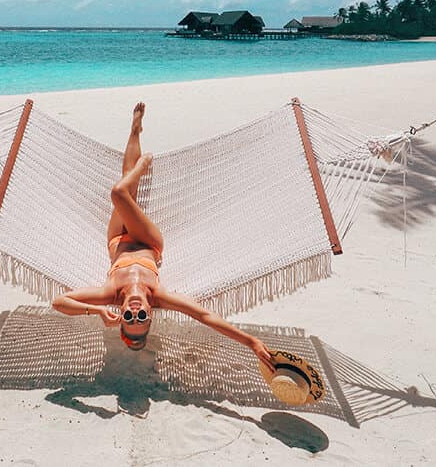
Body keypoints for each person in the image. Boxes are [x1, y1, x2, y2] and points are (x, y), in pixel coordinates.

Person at [52, 102, 275, 374]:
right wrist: (251, 342)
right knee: (121, 193)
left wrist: (96, 312)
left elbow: (59, 302)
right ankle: (139, 154)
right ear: (150, 313)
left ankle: (136, 137)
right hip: (148, 242)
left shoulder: (109, 294)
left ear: (119, 315)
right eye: (143, 317)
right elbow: (205, 316)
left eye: (129, 317)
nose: (136, 311)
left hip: (117, 240)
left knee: (124, 188)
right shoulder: (158, 295)